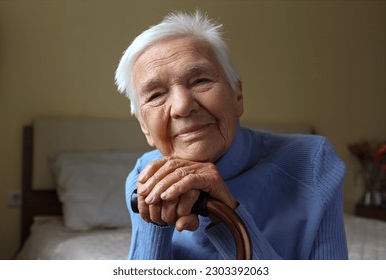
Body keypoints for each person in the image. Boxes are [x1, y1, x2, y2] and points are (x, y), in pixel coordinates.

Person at [115, 11, 348, 260]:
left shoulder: (312, 162)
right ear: (144, 127)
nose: (183, 106)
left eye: (200, 80)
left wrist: (228, 215)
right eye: (156, 95)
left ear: (237, 95)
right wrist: (156, 221)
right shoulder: (145, 177)